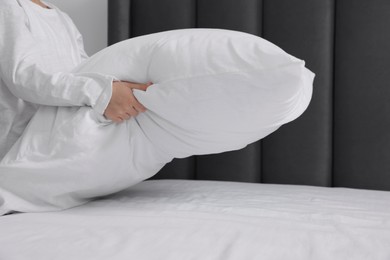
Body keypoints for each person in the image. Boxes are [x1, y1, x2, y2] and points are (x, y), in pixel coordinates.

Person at [0, 0, 151, 160]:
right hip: (21, 148)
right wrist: (101, 93)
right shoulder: (8, 8)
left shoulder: (61, 17)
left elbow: (85, 70)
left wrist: (116, 87)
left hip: (61, 139)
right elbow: (25, 78)